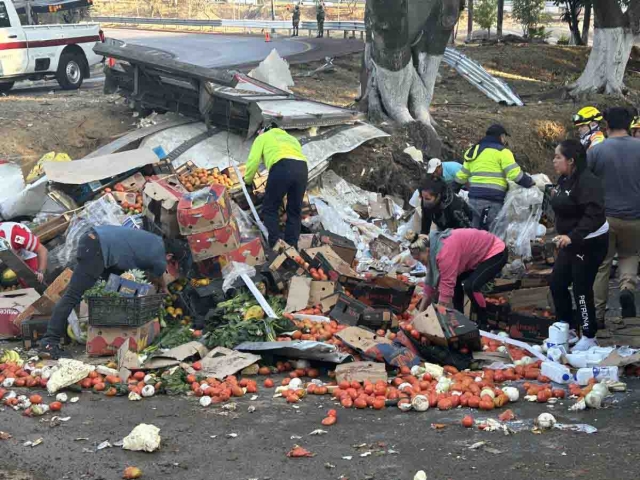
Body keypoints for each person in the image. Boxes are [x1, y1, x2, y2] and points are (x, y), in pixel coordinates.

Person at [38, 226, 184, 359]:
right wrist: (164, 289)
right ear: (169, 256)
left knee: (120, 288)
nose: (168, 266)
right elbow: (158, 279)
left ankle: (113, 334)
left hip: (100, 245)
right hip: (96, 247)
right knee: (72, 296)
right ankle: (49, 343)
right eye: (171, 263)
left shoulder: (156, 241)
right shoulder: (159, 256)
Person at [548, 140, 609, 352]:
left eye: (558, 157)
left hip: (590, 242)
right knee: (557, 282)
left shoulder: (588, 182)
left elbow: (593, 215)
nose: (554, 161)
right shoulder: (564, 179)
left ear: (571, 161)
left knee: (581, 288)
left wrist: (573, 236)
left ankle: (589, 334)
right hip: (570, 241)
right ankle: (567, 328)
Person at [588, 107, 640, 324]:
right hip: (635, 217)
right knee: (629, 256)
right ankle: (627, 286)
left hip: (604, 218)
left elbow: (585, 183)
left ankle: (598, 315)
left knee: (602, 264)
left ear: (606, 125)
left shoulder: (597, 151)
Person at [408, 229, 507, 324]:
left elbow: (446, 288)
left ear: (428, 251)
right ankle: (459, 318)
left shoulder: (445, 252)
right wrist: (419, 315)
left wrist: (437, 317)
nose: (422, 263)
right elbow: (430, 283)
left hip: (495, 251)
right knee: (456, 284)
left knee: (471, 286)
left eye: (421, 260)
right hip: (476, 256)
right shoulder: (433, 248)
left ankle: (484, 322)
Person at [454, 124, 534, 230]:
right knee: (494, 234)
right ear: (501, 136)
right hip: (492, 201)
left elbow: (461, 176)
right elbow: (515, 175)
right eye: (504, 137)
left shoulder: (473, 151)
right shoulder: (503, 152)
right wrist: (529, 181)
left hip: (474, 200)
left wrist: (452, 189)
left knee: (475, 234)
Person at [244, 122, 308, 248]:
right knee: (294, 211)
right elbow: (296, 158)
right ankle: (292, 249)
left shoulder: (263, 137)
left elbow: (253, 161)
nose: (258, 134)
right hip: (302, 168)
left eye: (259, 131)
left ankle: (276, 247)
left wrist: (247, 181)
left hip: (282, 166)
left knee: (270, 208)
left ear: (264, 129)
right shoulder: (291, 138)